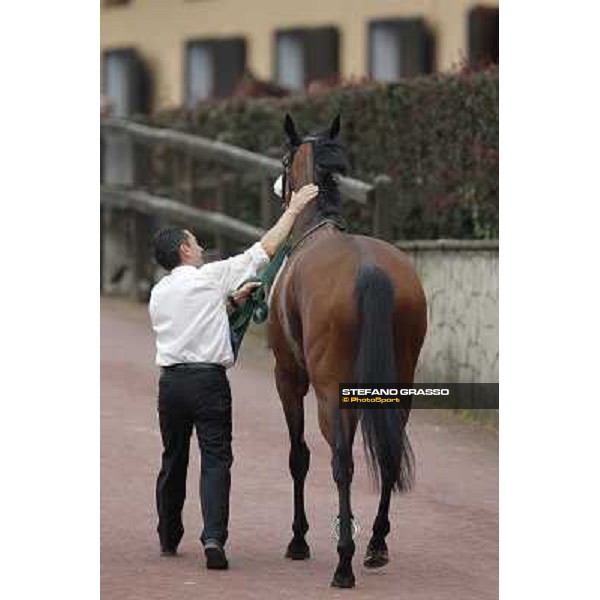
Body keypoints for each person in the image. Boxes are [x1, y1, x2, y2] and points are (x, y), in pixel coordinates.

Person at [148, 182, 319, 570]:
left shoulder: (159, 292)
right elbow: (265, 250)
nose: (202, 247)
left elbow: (189, 323)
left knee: (173, 458)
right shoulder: (211, 276)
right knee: (215, 459)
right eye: (196, 242)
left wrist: (229, 302)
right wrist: (293, 210)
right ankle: (213, 540)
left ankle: (168, 534)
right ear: (184, 251)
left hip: (171, 384)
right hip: (209, 383)